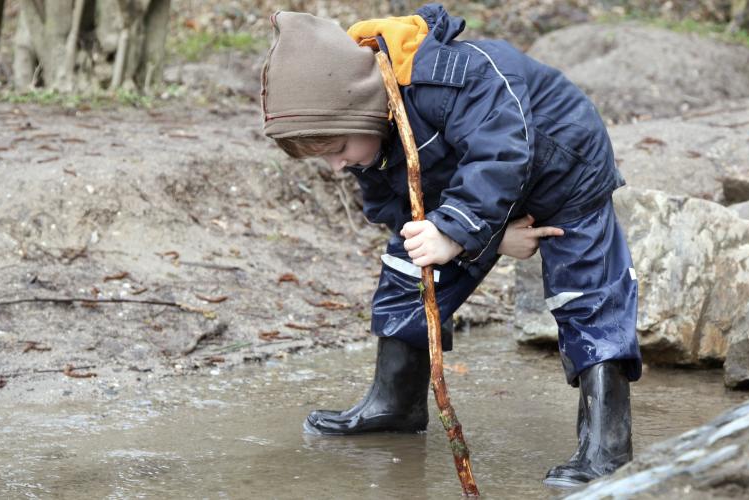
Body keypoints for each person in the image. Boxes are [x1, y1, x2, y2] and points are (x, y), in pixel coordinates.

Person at [260, 3, 642, 488]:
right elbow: (394, 209)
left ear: (363, 106)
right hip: (467, 194)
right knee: (408, 267)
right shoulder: (370, 140)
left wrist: (458, 231)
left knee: (586, 297)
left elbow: (502, 150)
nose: (338, 166)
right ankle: (394, 402)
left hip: (562, 170)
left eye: (337, 151)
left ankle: (605, 450)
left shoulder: (449, 78)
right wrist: (489, 238)